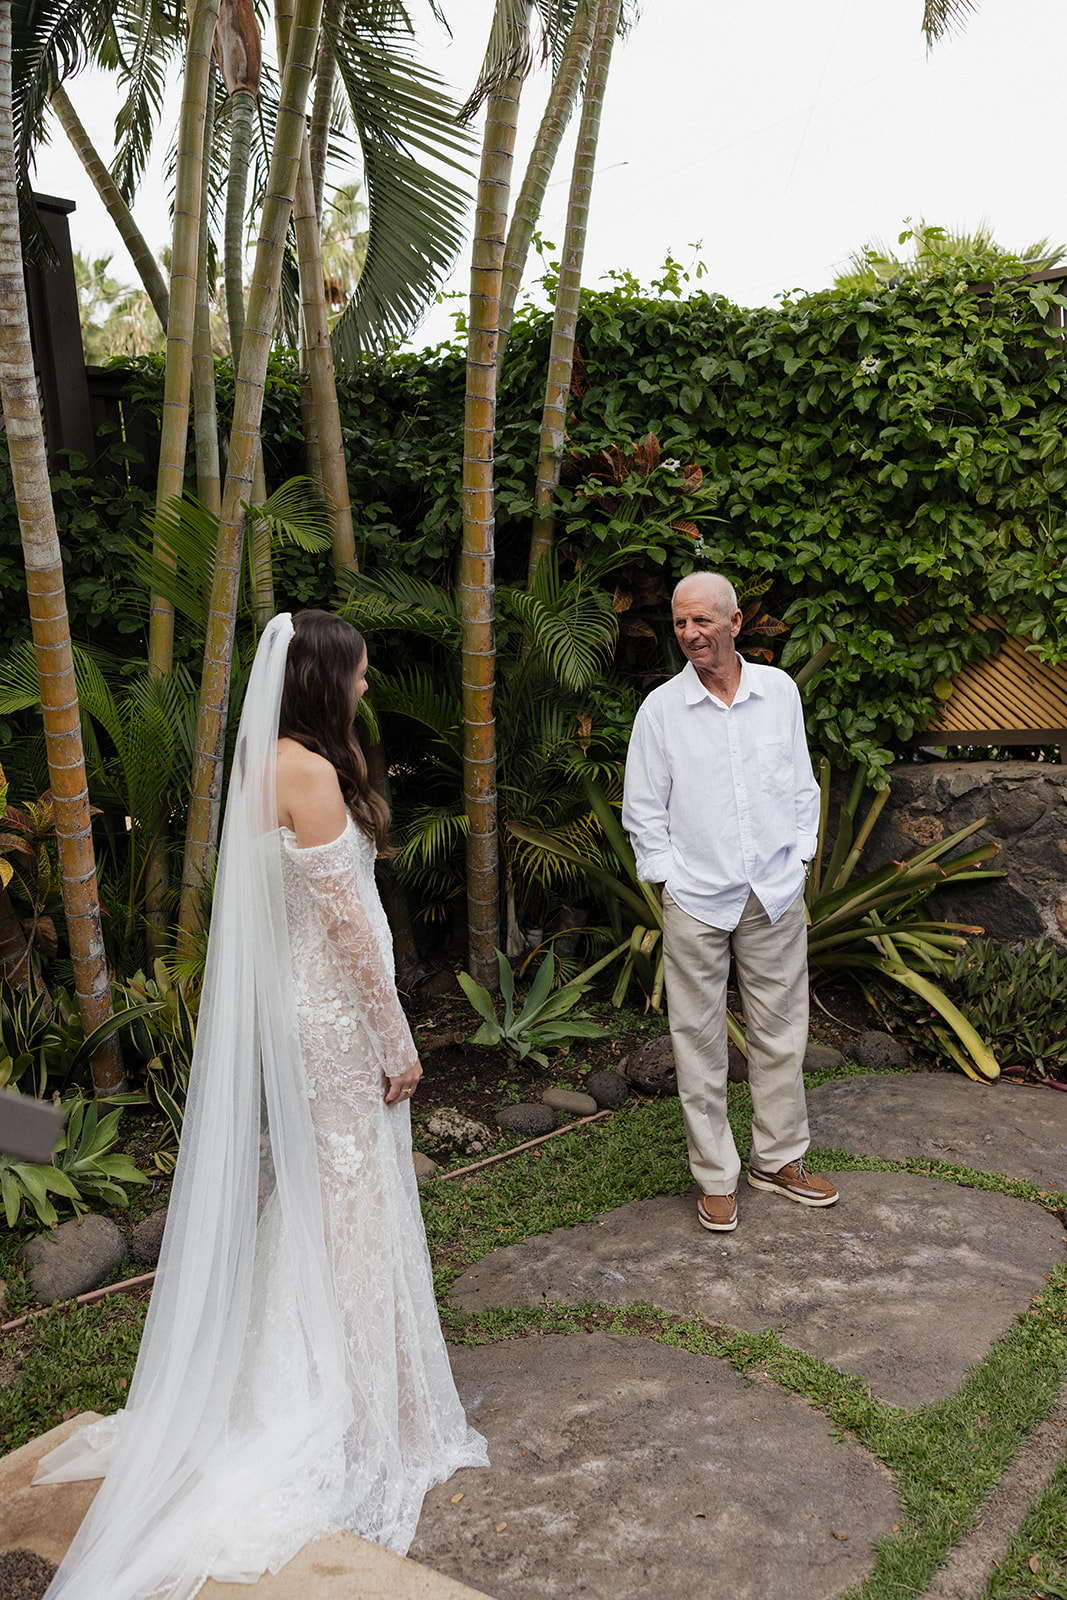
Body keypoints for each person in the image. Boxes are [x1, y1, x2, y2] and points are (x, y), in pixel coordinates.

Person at [33, 611, 487, 1600]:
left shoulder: (259, 766)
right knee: (355, 1196)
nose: (367, 690)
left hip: (293, 1012)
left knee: (321, 1196)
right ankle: (362, 1407)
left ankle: (329, 1376)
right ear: (324, 680)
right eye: (359, 677)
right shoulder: (313, 774)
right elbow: (355, 929)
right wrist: (398, 1039)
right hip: (332, 1020)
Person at [622, 572, 838, 1233]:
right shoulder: (661, 709)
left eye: (701, 621)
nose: (689, 633)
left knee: (781, 1032)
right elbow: (641, 808)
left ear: (734, 622)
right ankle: (714, 1175)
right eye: (680, 623)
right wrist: (666, 881)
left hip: (771, 890)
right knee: (696, 1039)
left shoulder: (778, 694)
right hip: (695, 897)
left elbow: (801, 785)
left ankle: (777, 1160)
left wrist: (798, 856)